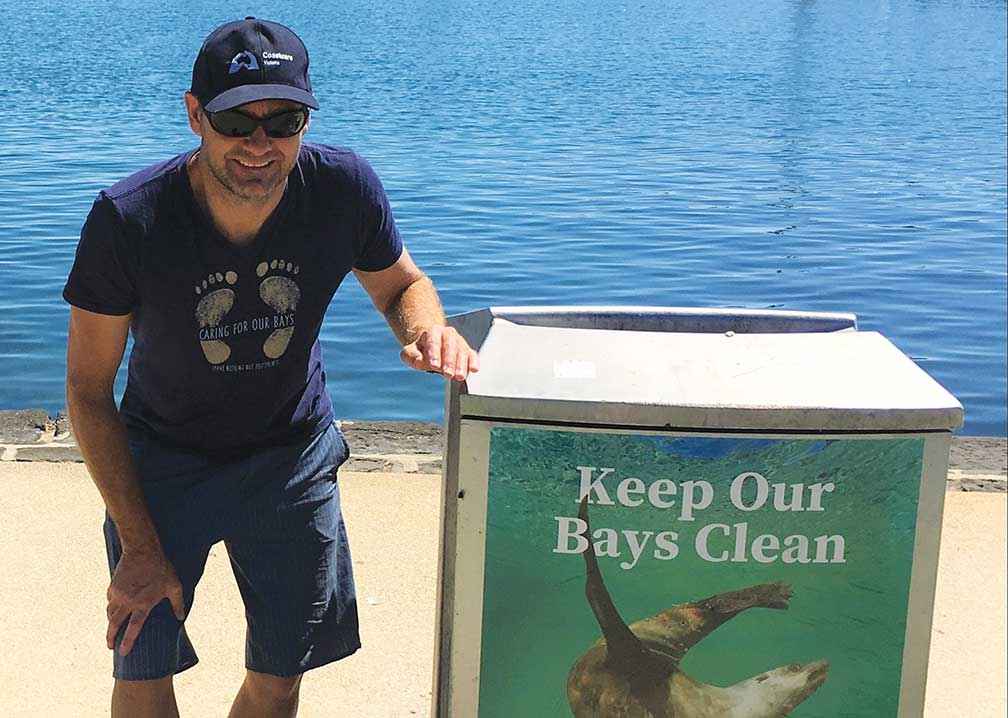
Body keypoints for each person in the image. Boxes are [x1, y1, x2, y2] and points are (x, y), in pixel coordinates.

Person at [62, 17, 478, 718]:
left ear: (305, 121)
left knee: (282, 674)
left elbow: (402, 283)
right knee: (143, 667)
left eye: (283, 120)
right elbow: (87, 389)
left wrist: (428, 331)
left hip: (291, 454)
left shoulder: (342, 187)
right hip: (162, 456)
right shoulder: (128, 219)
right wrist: (138, 544)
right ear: (195, 115)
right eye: (236, 119)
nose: (260, 143)